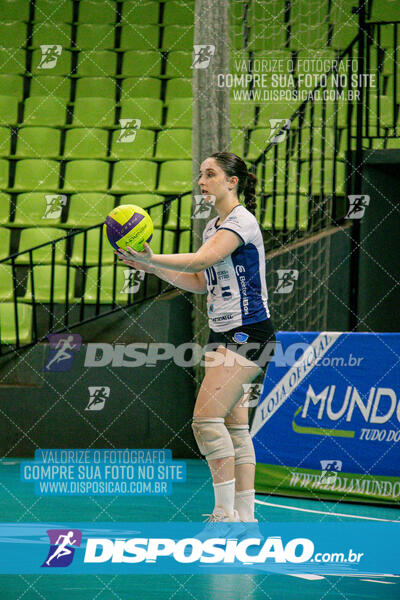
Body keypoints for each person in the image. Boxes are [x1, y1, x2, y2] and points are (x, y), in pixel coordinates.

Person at [116, 152, 275, 525]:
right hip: (221, 331)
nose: (202, 181)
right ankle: (245, 515)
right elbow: (201, 282)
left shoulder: (241, 222)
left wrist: (153, 256)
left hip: (249, 331)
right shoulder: (212, 227)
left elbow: (203, 260)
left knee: (206, 421)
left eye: (210, 174)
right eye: (201, 174)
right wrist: (150, 266)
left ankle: (223, 513)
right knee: (235, 427)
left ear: (232, 181)